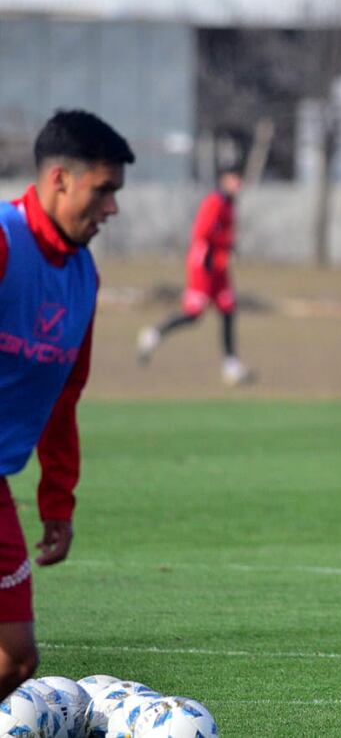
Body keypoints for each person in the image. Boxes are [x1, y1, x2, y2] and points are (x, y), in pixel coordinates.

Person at [0, 109, 131, 696]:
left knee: (14, 658)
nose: (113, 209)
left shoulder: (83, 276)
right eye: (103, 191)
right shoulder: (3, 241)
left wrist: (57, 498)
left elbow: (63, 393)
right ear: (59, 179)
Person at [136, 161, 252, 386]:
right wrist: (214, 253)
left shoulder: (230, 204)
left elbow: (224, 234)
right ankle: (153, 335)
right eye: (235, 178)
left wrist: (229, 249)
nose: (239, 183)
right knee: (193, 314)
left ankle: (231, 366)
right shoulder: (214, 202)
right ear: (224, 180)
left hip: (219, 267)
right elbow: (202, 232)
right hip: (204, 266)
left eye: (240, 178)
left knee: (228, 310)